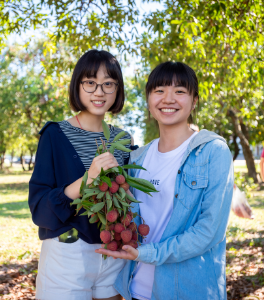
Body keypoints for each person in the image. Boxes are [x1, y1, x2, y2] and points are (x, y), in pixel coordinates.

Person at [96, 61, 234, 300]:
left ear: (194, 101)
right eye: (159, 90)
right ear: (149, 100)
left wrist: (147, 253)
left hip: (189, 291)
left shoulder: (213, 151)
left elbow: (209, 232)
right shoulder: (137, 158)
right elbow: (130, 219)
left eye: (180, 91)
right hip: (136, 289)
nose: (168, 99)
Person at [28, 50, 133, 300]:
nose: (99, 92)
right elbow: (39, 208)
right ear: (78, 86)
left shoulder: (123, 140)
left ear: (117, 90)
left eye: (108, 84)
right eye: (90, 82)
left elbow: (129, 199)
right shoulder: (54, 135)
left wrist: (126, 189)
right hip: (68, 254)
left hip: (113, 251)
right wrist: (89, 178)